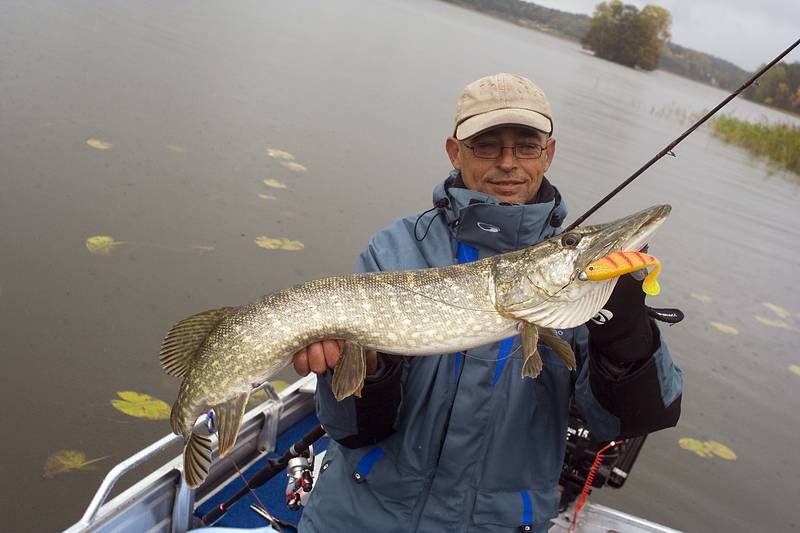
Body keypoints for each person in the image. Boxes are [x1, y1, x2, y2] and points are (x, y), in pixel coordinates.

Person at [293, 73, 683, 533]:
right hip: (360, 518)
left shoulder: (580, 282)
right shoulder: (396, 249)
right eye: (486, 145)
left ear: (548, 153)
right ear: (454, 152)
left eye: (526, 145)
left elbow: (630, 420)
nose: (507, 163)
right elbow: (353, 428)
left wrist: (624, 331)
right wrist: (365, 371)